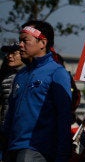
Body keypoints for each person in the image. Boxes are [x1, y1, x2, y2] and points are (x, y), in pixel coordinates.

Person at [2, 20, 73, 161]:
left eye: (25, 40)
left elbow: (64, 117)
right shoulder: (21, 75)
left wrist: (62, 155)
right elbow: (10, 116)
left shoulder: (57, 72)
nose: (20, 45)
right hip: (12, 148)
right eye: (19, 41)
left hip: (37, 149)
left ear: (43, 43)